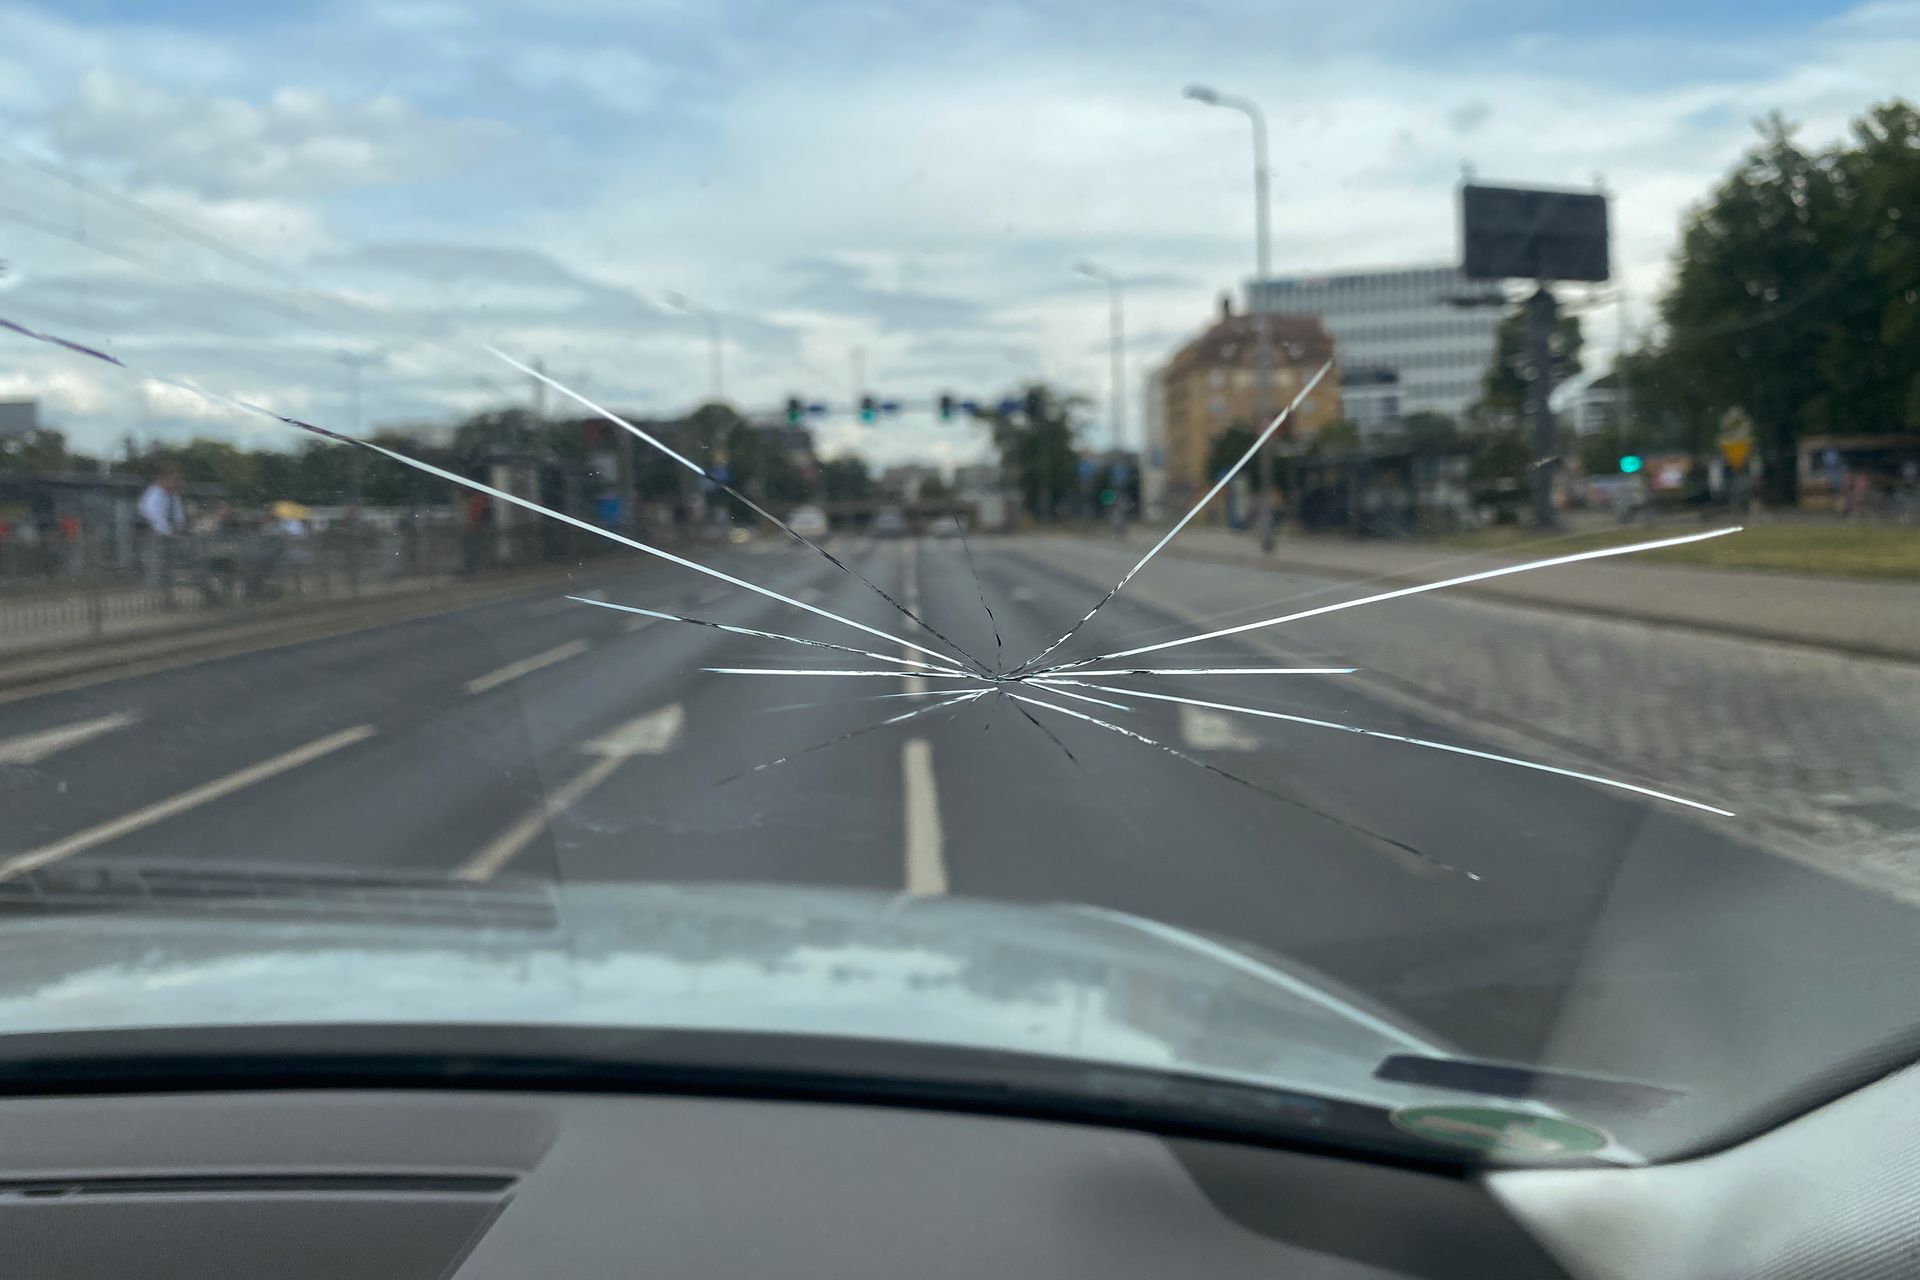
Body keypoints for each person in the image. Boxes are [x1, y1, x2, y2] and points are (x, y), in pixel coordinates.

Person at [138, 466, 186, 592]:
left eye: (177, 480)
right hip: (155, 534)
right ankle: (153, 591)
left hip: (170, 535)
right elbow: (155, 516)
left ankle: (166, 590)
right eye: (172, 479)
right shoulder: (154, 494)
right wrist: (168, 532)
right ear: (162, 479)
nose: (176, 483)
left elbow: (178, 515)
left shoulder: (173, 496)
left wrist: (178, 529)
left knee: (169, 564)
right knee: (155, 564)